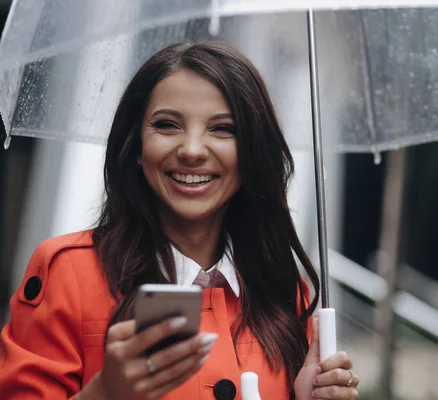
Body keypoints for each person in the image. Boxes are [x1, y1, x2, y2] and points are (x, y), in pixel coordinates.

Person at [0, 42, 360, 399]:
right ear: (136, 145)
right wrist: (105, 394)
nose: (191, 150)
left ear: (252, 152)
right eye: (167, 125)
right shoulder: (68, 273)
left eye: (222, 129)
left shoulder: (282, 289)